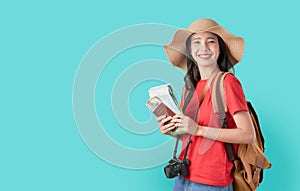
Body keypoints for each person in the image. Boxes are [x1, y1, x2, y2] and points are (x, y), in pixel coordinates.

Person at [157, 18, 256, 191]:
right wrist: (172, 130)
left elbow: (248, 135)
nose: (204, 47)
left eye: (211, 41)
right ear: (190, 50)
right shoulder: (189, 87)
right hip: (182, 175)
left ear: (220, 49)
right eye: (197, 42)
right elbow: (189, 134)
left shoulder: (228, 83)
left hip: (211, 182)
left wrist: (199, 129)